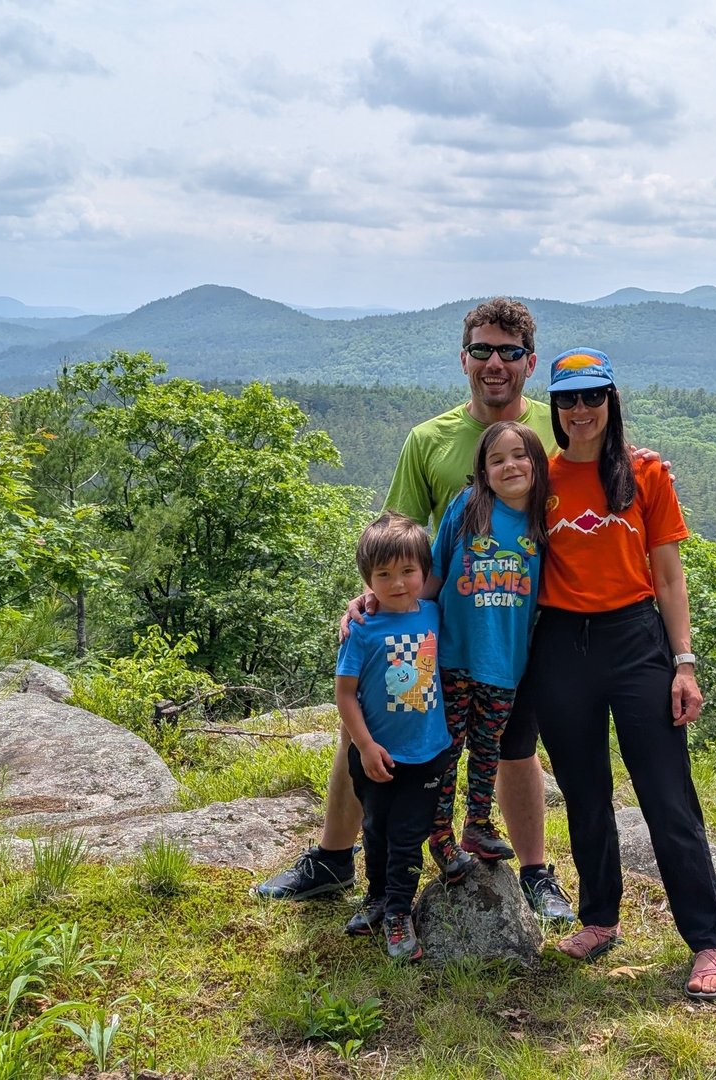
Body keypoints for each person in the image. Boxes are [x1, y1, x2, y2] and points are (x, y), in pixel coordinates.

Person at [254, 298, 577, 923]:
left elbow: (600, 461)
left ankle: (534, 873)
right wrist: (377, 594)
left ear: (529, 363)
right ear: (464, 359)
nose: (494, 363)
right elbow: (396, 529)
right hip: (438, 630)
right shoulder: (429, 439)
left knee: (514, 744)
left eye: (509, 353)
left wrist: (646, 469)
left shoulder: (554, 426)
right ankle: (333, 857)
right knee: (377, 731)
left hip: (522, 626)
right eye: (482, 350)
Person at [523, 347, 716, 1001]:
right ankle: (600, 919)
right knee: (585, 793)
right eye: (568, 399)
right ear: (555, 408)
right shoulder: (540, 477)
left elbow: (669, 576)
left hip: (635, 638)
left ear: (611, 401)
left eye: (592, 396)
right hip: (560, 643)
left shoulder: (645, 473)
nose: (580, 409)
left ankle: (707, 943)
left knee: (667, 795)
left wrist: (685, 664)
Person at [419, 420, 551, 883]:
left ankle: (477, 825)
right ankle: (439, 835)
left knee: (488, 747)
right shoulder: (467, 508)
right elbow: (434, 575)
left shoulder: (542, 522)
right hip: (453, 657)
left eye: (520, 456)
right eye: (496, 459)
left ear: (538, 465)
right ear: (482, 469)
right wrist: (402, 620)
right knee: (446, 748)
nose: (509, 465)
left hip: (505, 664)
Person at [332, 512, 454, 960]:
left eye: (408, 572)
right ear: (368, 579)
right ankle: (378, 896)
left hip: (427, 754)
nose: (398, 583)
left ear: (424, 572)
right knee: (375, 830)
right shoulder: (362, 629)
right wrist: (364, 746)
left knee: (406, 837)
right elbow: (345, 695)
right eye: (383, 575)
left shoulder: (434, 614)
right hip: (375, 755)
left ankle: (400, 913)